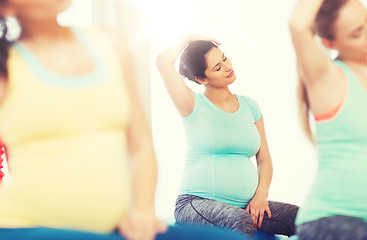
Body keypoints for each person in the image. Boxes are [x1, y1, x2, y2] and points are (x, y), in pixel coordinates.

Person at [0, 1, 249, 240]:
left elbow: (139, 144)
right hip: (26, 227)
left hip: (117, 229)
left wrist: (142, 211)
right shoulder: (6, 67)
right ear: (6, 6)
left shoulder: (109, 43)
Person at [156, 35, 298, 239]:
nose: (227, 66)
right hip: (195, 203)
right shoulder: (193, 105)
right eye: (217, 67)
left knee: (302, 218)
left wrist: (261, 195)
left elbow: (264, 159)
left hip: (245, 206)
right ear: (201, 79)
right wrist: (188, 36)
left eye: (224, 58)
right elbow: (163, 62)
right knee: (240, 220)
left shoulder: (250, 107)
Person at [289, 0, 367, 239]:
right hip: (329, 223)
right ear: (329, 42)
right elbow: (298, 23)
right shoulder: (326, 79)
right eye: (356, 33)